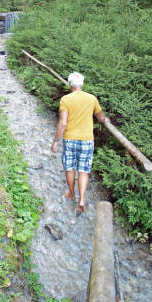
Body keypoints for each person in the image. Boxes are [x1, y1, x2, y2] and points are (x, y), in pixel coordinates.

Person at [52, 72, 109, 212]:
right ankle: (82, 199)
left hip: (70, 139)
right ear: (81, 84)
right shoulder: (92, 98)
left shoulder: (65, 100)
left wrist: (56, 140)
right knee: (83, 170)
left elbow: (63, 123)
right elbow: (101, 117)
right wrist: (105, 120)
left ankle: (71, 194)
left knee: (70, 167)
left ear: (70, 84)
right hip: (87, 139)